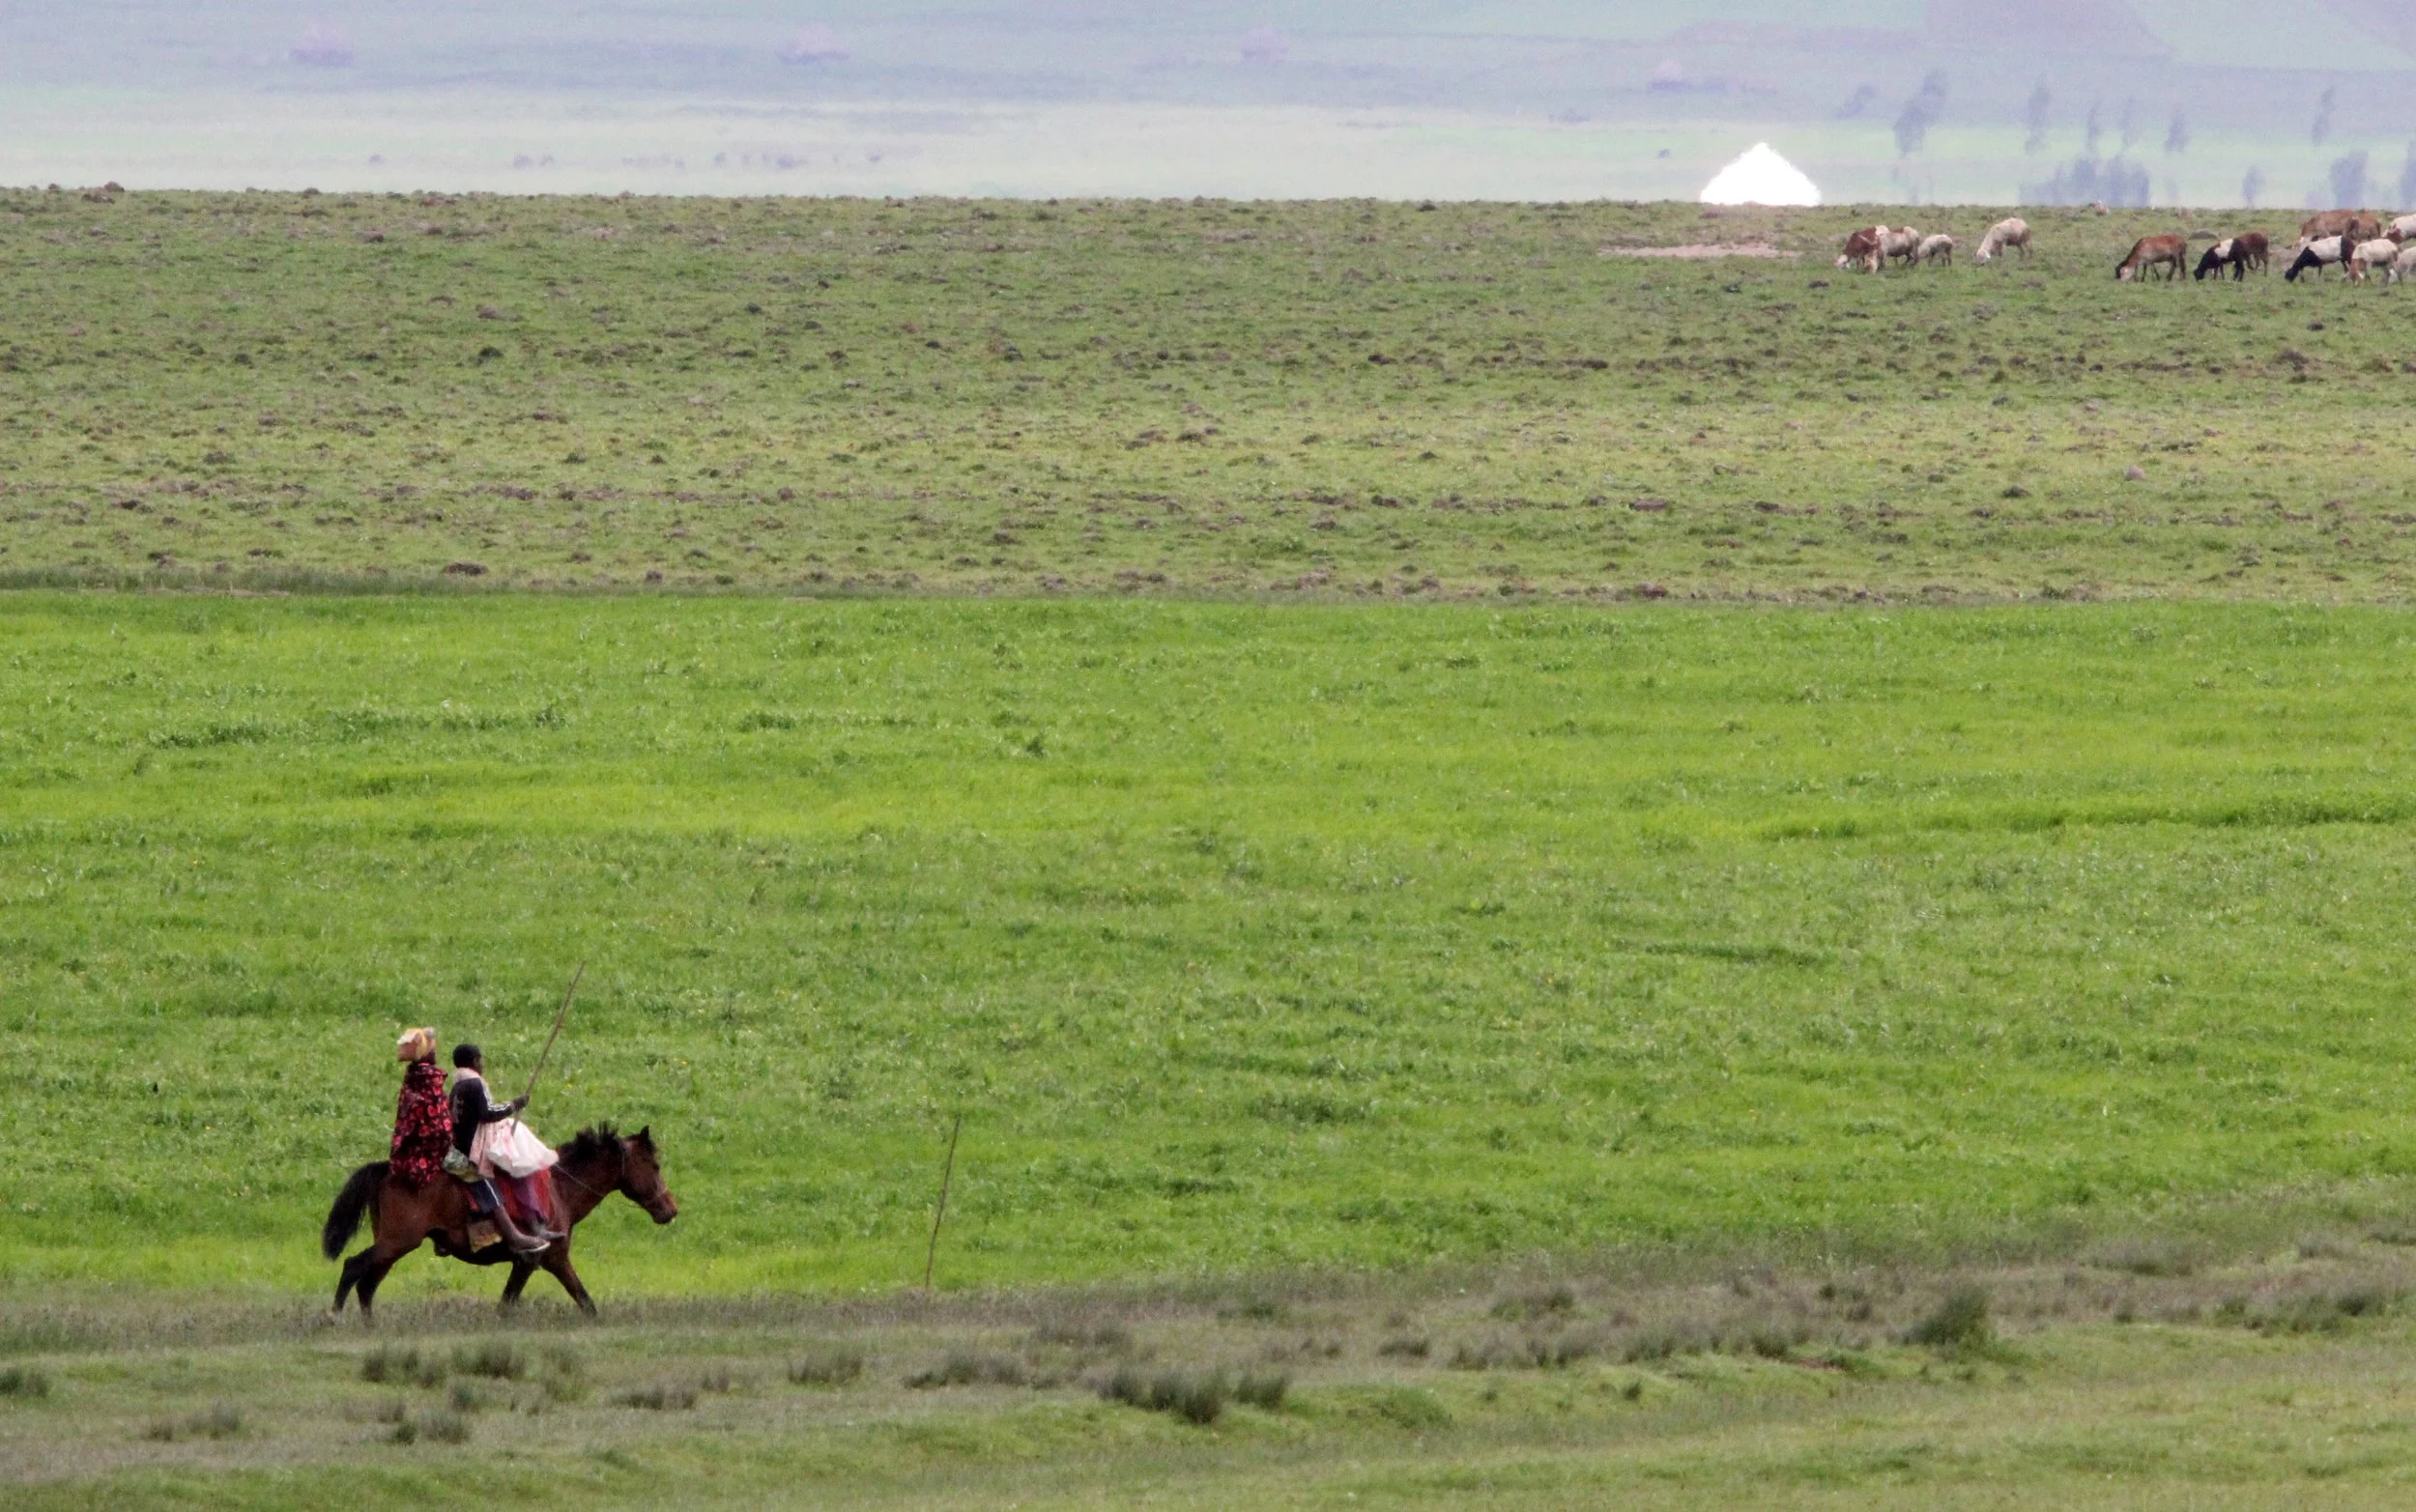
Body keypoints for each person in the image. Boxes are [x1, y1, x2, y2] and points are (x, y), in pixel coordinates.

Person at [449, 1042, 563, 1248]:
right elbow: (488, 1113)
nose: (482, 1064)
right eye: (480, 1060)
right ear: (475, 1061)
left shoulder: (457, 1086)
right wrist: (514, 1105)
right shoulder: (476, 1083)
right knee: (519, 1168)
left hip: (459, 1144)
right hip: (473, 1149)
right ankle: (522, 1229)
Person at [389, 1028, 451, 1189]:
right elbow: (437, 1116)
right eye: (433, 1050)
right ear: (425, 1051)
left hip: (409, 1141)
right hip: (427, 1142)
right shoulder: (430, 1077)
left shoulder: (412, 1074)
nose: (436, 1054)